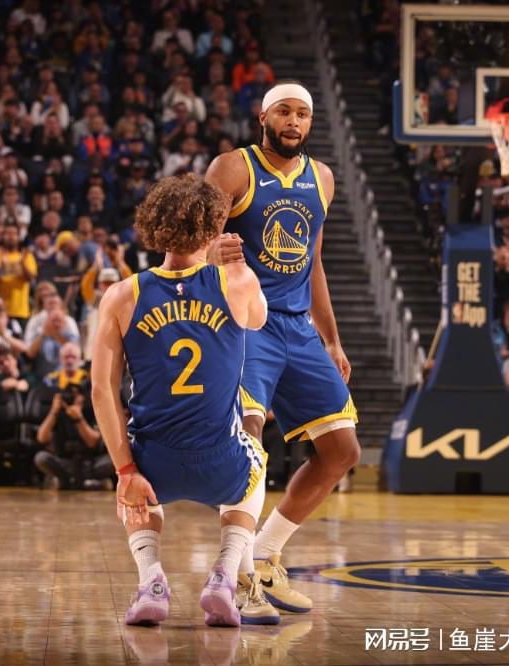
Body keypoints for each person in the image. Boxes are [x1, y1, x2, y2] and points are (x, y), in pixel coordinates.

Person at [91, 174, 277, 628]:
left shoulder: (122, 295)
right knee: (257, 460)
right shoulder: (236, 282)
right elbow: (259, 320)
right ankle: (225, 575)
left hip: (154, 463)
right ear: (213, 228)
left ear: (153, 226)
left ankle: (151, 580)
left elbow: (102, 391)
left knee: (132, 484)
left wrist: (126, 471)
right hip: (221, 460)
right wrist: (229, 263)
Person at [204, 81, 359, 613]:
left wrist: (331, 338)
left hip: (298, 327)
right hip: (244, 321)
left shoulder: (323, 179)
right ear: (264, 117)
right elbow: (194, 243)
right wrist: (213, 254)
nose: (294, 122)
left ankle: (266, 555)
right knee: (248, 445)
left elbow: (313, 264)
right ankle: (236, 576)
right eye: (284, 112)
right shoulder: (233, 168)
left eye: (303, 114)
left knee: (342, 451)